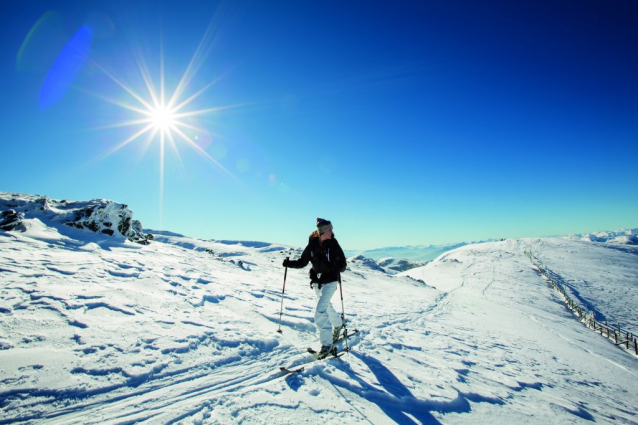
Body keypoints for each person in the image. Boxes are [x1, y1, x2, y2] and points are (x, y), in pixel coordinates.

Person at [283, 218, 347, 359]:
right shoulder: (312, 245)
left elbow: (343, 265)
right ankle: (338, 324)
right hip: (317, 282)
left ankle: (326, 344)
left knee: (320, 311)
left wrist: (337, 266)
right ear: (323, 231)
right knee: (326, 306)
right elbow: (302, 262)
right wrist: (289, 264)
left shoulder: (334, 245)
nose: (332, 232)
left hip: (330, 282)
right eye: (330, 229)